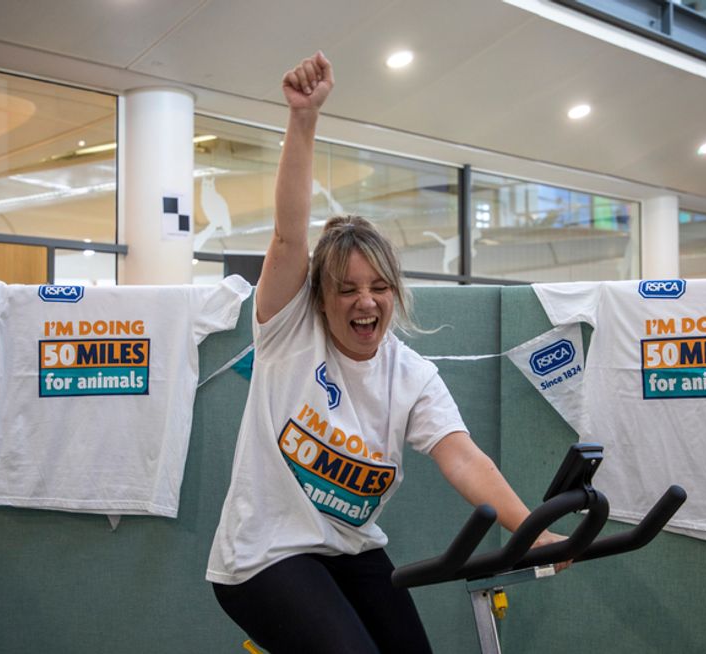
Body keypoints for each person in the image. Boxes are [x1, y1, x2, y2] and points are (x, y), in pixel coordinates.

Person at [206, 52, 566, 654]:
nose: (364, 303)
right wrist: (302, 120)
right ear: (320, 300)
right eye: (346, 289)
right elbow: (289, 235)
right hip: (263, 556)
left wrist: (529, 531)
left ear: (395, 294)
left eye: (378, 288)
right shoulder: (288, 332)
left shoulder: (411, 374)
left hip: (350, 550)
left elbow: (464, 459)